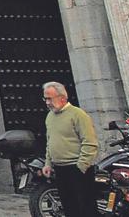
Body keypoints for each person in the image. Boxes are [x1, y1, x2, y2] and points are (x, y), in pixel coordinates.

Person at [41, 82, 98, 217]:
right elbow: (50, 142)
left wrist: (81, 166)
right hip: (60, 169)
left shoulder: (78, 114)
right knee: (69, 207)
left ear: (62, 98)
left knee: (86, 208)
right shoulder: (50, 117)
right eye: (45, 99)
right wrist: (48, 163)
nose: (47, 102)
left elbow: (89, 142)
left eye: (50, 98)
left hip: (77, 169)